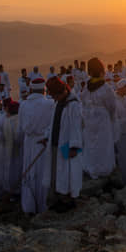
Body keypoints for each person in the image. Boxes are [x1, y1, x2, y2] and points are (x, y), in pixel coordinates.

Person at [45, 77, 83, 211]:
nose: (53, 97)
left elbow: (76, 127)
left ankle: (69, 200)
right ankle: (59, 198)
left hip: (69, 145)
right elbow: (53, 123)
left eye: (53, 94)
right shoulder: (59, 103)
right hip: (56, 143)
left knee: (68, 173)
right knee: (57, 173)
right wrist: (46, 137)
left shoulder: (73, 105)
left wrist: (74, 146)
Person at [19, 78, 54, 214]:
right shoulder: (50, 104)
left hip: (29, 143)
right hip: (43, 143)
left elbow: (21, 127)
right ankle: (43, 206)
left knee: (29, 173)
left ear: (31, 89)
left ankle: (29, 206)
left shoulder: (23, 105)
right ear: (44, 90)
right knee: (42, 173)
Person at [80, 57, 117, 179]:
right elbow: (112, 106)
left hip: (89, 119)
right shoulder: (106, 88)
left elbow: (83, 102)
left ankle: (90, 167)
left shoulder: (86, 87)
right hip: (102, 119)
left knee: (91, 143)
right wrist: (110, 117)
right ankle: (103, 169)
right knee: (103, 144)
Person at [2, 100, 23, 199]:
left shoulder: (7, 121)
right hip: (20, 150)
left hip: (10, 151)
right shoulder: (20, 120)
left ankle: (13, 190)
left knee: (12, 170)